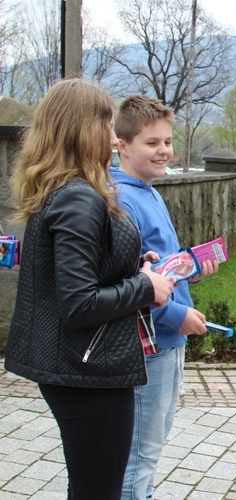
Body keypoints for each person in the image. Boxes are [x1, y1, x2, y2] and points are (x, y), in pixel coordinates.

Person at [4, 79, 175, 499]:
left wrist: (133, 267)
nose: (114, 136)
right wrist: (144, 286)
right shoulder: (79, 198)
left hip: (82, 367)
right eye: (107, 124)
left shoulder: (69, 191)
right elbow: (79, 303)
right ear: (84, 129)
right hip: (88, 371)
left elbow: (83, 272)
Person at [111, 95, 218, 500]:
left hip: (166, 343)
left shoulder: (147, 189)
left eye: (168, 141)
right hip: (150, 347)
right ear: (121, 144)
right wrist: (177, 316)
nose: (164, 151)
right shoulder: (121, 200)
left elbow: (159, 269)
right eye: (151, 143)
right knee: (140, 454)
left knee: (147, 451)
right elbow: (128, 284)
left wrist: (191, 267)